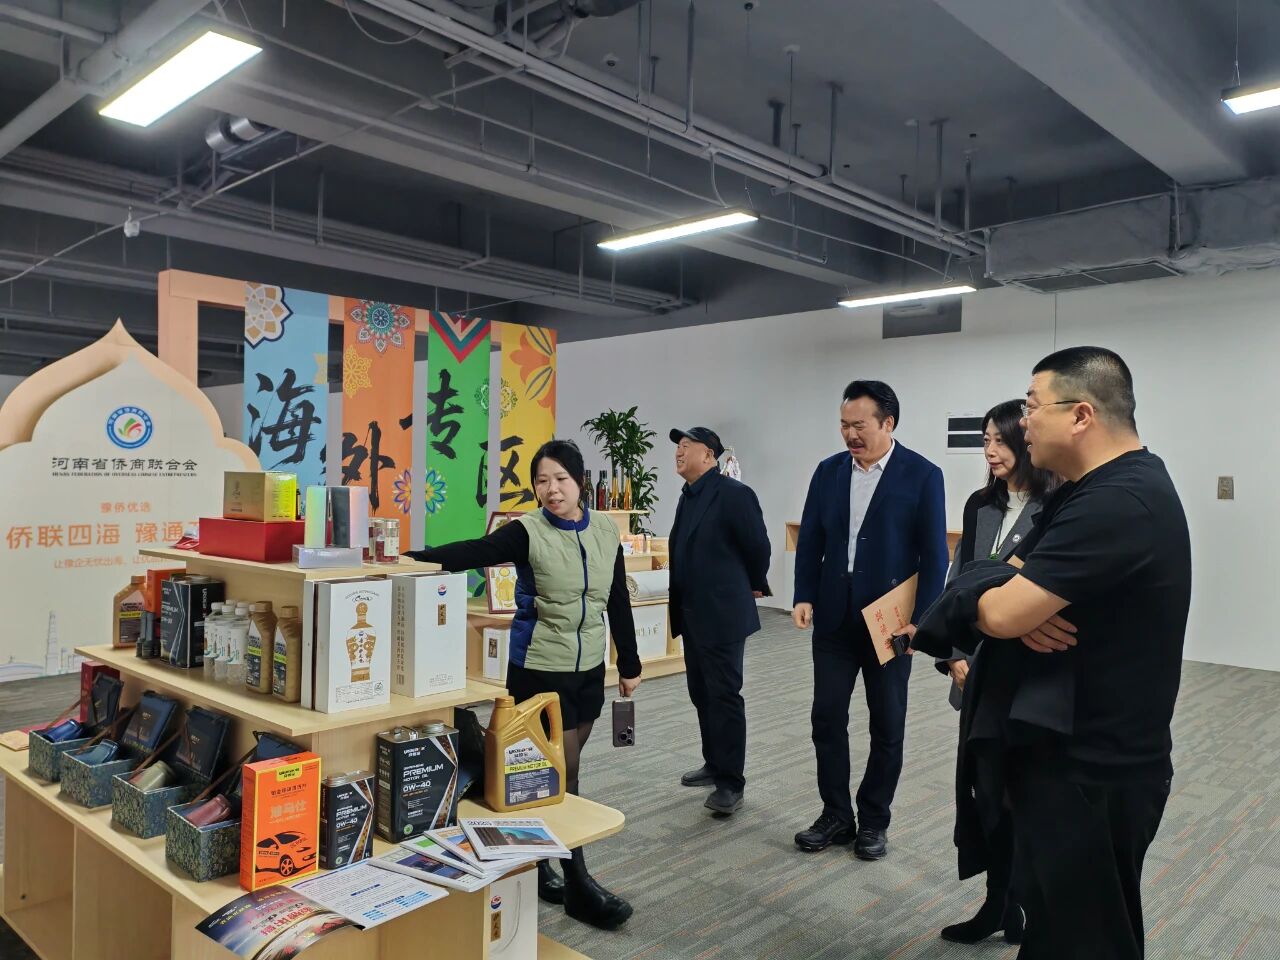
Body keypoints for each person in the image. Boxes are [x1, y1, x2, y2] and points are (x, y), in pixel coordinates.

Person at [967, 346, 1190, 959]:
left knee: (1088, 940)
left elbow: (1000, 610)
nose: (1023, 422)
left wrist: (1003, 606)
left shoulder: (1117, 500)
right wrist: (1003, 599)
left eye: (1032, 406)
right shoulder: (1090, 489)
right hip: (1070, 755)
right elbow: (997, 576)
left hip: (1096, 769)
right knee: (1062, 930)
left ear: (1081, 414)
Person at [405, 439, 641, 931]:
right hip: (538, 669)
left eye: (561, 479)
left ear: (580, 482)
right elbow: (473, 552)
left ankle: (538, 867)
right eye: (542, 481)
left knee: (549, 773)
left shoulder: (604, 531)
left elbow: (616, 597)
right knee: (561, 774)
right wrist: (409, 560)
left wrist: (630, 663)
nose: (552, 490)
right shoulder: (527, 531)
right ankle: (578, 884)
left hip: (588, 670)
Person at [792, 380, 948, 859]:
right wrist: (803, 594)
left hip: (890, 624)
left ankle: (874, 820)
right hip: (834, 618)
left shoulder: (923, 475)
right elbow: (812, 538)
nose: (850, 434)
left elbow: (935, 556)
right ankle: (836, 814)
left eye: (859, 425)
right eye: (844, 425)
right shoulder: (828, 471)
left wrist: (922, 621)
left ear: (888, 423)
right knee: (826, 718)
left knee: (887, 724)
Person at [933, 398, 1057, 946]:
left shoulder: (1056, 506)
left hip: (1026, 677)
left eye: (1001, 440)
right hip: (976, 672)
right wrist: (953, 656)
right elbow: (959, 580)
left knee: (1021, 796)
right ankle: (997, 904)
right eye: (985, 441)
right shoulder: (980, 505)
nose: (990, 450)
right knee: (983, 792)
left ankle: (1023, 904)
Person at [667, 426, 771, 816]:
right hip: (692, 613)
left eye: (686, 446)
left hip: (723, 613)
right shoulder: (688, 496)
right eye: (677, 447)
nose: (678, 452)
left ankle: (731, 782)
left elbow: (758, 546)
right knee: (701, 692)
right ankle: (713, 763)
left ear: (709, 455)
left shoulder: (734, 494)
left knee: (725, 695)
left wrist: (750, 584)